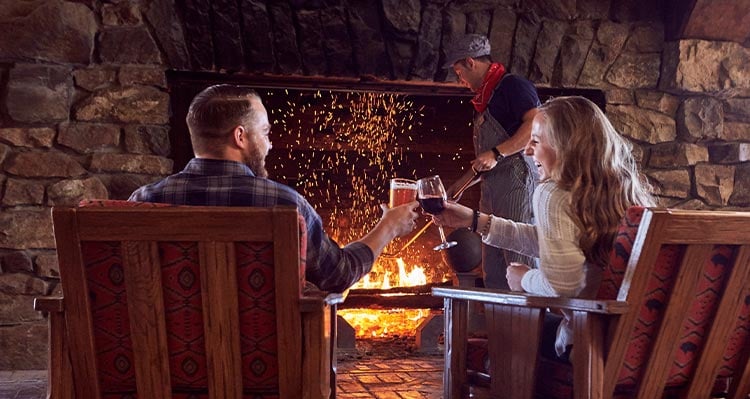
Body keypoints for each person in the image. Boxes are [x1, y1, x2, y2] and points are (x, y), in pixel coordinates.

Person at [129, 84, 420, 293]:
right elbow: (339, 275)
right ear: (240, 136)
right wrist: (388, 227)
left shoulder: (143, 202)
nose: (269, 144)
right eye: (266, 132)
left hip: (162, 369)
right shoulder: (283, 202)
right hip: (266, 373)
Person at [433, 96, 656, 358]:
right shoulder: (625, 195)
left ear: (566, 146)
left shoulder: (552, 193)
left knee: (495, 342)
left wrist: (523, 279)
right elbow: (554, 241)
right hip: (638, 349)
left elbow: (562, 284)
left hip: (587, 347)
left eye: (535, 141)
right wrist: (475, 221)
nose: (527, 151)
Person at [442, 33, 540, 289]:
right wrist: (460, 185)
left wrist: (498, 153)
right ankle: (499, 329)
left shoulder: (513, 87)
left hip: (518, 186)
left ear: (471, 62)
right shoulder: (487, 99)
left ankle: (529, 329)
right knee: (494, 273)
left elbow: (536, 124)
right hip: (493, 195)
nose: (459, 79)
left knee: (519, 265)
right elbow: (486, 161)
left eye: (458, 70)